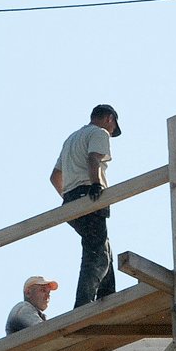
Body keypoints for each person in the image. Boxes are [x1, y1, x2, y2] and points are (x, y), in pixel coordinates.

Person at [50, 104, 122, 308]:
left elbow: (55, 176)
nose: (111, 131)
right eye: (112, 127)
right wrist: (96, 185)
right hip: (89, 196)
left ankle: (107, 298)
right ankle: (84, 305)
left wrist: (69, 199)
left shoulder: (71, 139)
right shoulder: (99, 133)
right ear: (109, 119)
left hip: (72, 200)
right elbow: (94, 159)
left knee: (102, 248)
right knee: (96, 253)